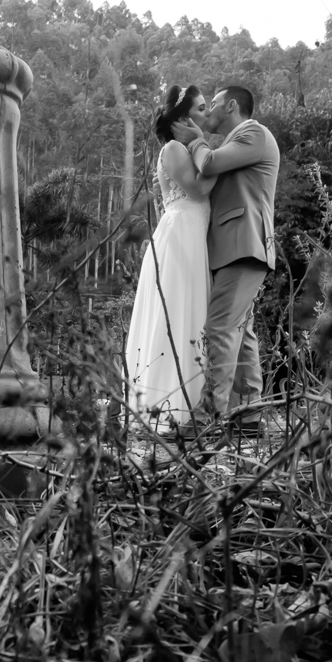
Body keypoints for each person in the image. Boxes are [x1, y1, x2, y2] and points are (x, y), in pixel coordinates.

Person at [172, 86, 279, 438]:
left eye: (214, 104)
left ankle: (207, 418)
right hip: (232, 247)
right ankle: (249, 415)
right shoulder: (235, 141)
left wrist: (196, 140)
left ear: (232, 105)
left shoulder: (253, 133)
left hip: (244, 244)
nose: (209, 111)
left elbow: (211, 163)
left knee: (219, 328)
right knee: (240, 331)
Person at [123, 85, 216, 431]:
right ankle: (171, 412)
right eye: (202, 109)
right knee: (177, 316)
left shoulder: (183, 146)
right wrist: (202, 143)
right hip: (180, 236)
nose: (206, 115)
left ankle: (191, 406)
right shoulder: (176, 148)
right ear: (184, 118)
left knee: (190, 314)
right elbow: (199, 189)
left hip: (192, 235)